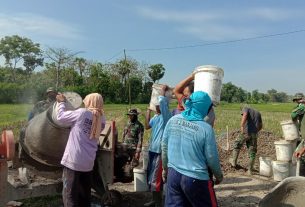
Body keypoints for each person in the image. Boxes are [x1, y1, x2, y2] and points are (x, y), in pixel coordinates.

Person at [161, 91, 223, 207]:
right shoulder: (206, 129)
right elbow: (211, 158)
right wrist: (218, 176)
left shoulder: (173, 120)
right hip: (196, 179)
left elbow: (164, 147)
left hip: (173, 174)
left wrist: (165, 169)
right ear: (204, 107)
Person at [56, 92, 106, 207]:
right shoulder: (102, 118)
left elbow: (60, 117)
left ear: (89, 102)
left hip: (73, 161)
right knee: (84, 195)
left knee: (70, 195)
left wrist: (62, 103)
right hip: (88, 162)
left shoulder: (82, 113)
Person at [144, 85, 172, 207]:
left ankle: (159, 203)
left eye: (157, 104)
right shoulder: (156, 117)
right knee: (151, 177)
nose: (156, 106)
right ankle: (155, 200)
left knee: (157, 179)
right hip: (152, 150)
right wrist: (148, 111)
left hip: (160, 152)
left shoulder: (167, 116)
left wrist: (162, 91)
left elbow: (162, 101)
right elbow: (147, 126)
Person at [229, 106, 263, 175]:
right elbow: (261, 125)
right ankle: (250, 170)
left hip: (246, 132)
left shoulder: (245, 108)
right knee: (252, 151)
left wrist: (242, 126)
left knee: (236, 145)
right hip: (254, 134)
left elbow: (245, 115)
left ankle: (234, 163)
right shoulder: (258, 113)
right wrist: (256, 131)